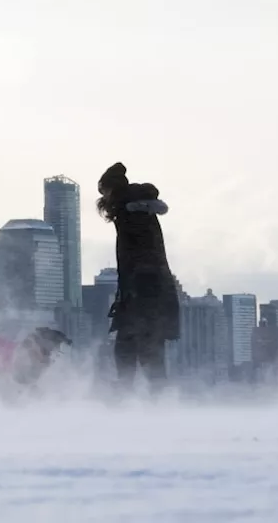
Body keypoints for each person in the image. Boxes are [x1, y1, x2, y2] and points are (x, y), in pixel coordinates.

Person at [97, 162, 180, 390]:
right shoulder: (137, 213)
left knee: (141, 353)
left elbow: (141, 262)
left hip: (144, 297)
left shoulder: (130, 216)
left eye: (104, 192)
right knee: (138, 353)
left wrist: (132, 296)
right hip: (143, 295)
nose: (103, 199)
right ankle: (147, 405)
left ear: (113, 191)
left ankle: (145, 406)